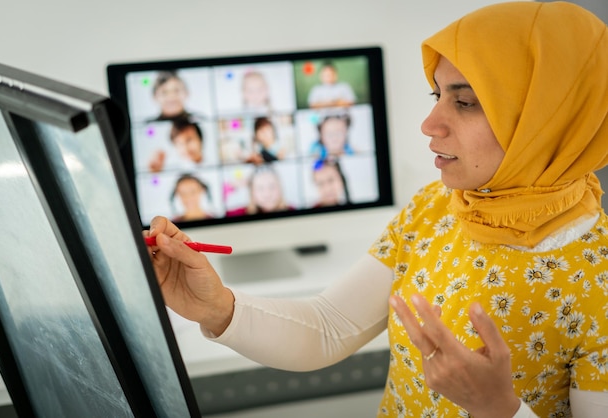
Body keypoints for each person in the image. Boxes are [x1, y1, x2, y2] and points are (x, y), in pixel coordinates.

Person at [146, 2, 608, 416]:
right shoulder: (437, 207)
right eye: (437, 94)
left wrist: (499, 410)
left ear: (548, 119)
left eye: (464, 102)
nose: (430, 124)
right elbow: (328, 327)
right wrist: (217, 308)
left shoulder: (600, 280)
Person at [225, 163, 292, 216]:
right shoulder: (241, 213)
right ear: (252, 192)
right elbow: (217, 210)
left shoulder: (291, 210)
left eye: (272, 187)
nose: (267, 194)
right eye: (260, 188)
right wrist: (232, 185)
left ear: (280, 188)